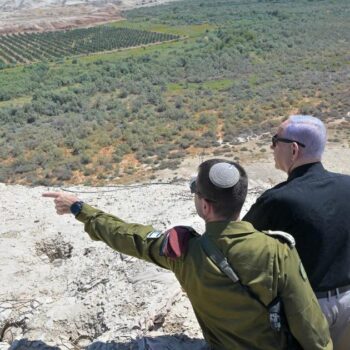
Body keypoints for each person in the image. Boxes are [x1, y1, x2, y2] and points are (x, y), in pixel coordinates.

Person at [43, 159, 332, 350]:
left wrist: (80, 208)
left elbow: (127, 236)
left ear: (205, 206)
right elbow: (311, 328)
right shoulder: (276, 252)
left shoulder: (182, 253)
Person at [244, 115, 350, 350]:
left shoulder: (278, 200)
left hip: (308, 308)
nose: (272, 147)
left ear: (293, 150)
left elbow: (241, 242)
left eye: (275, 140)